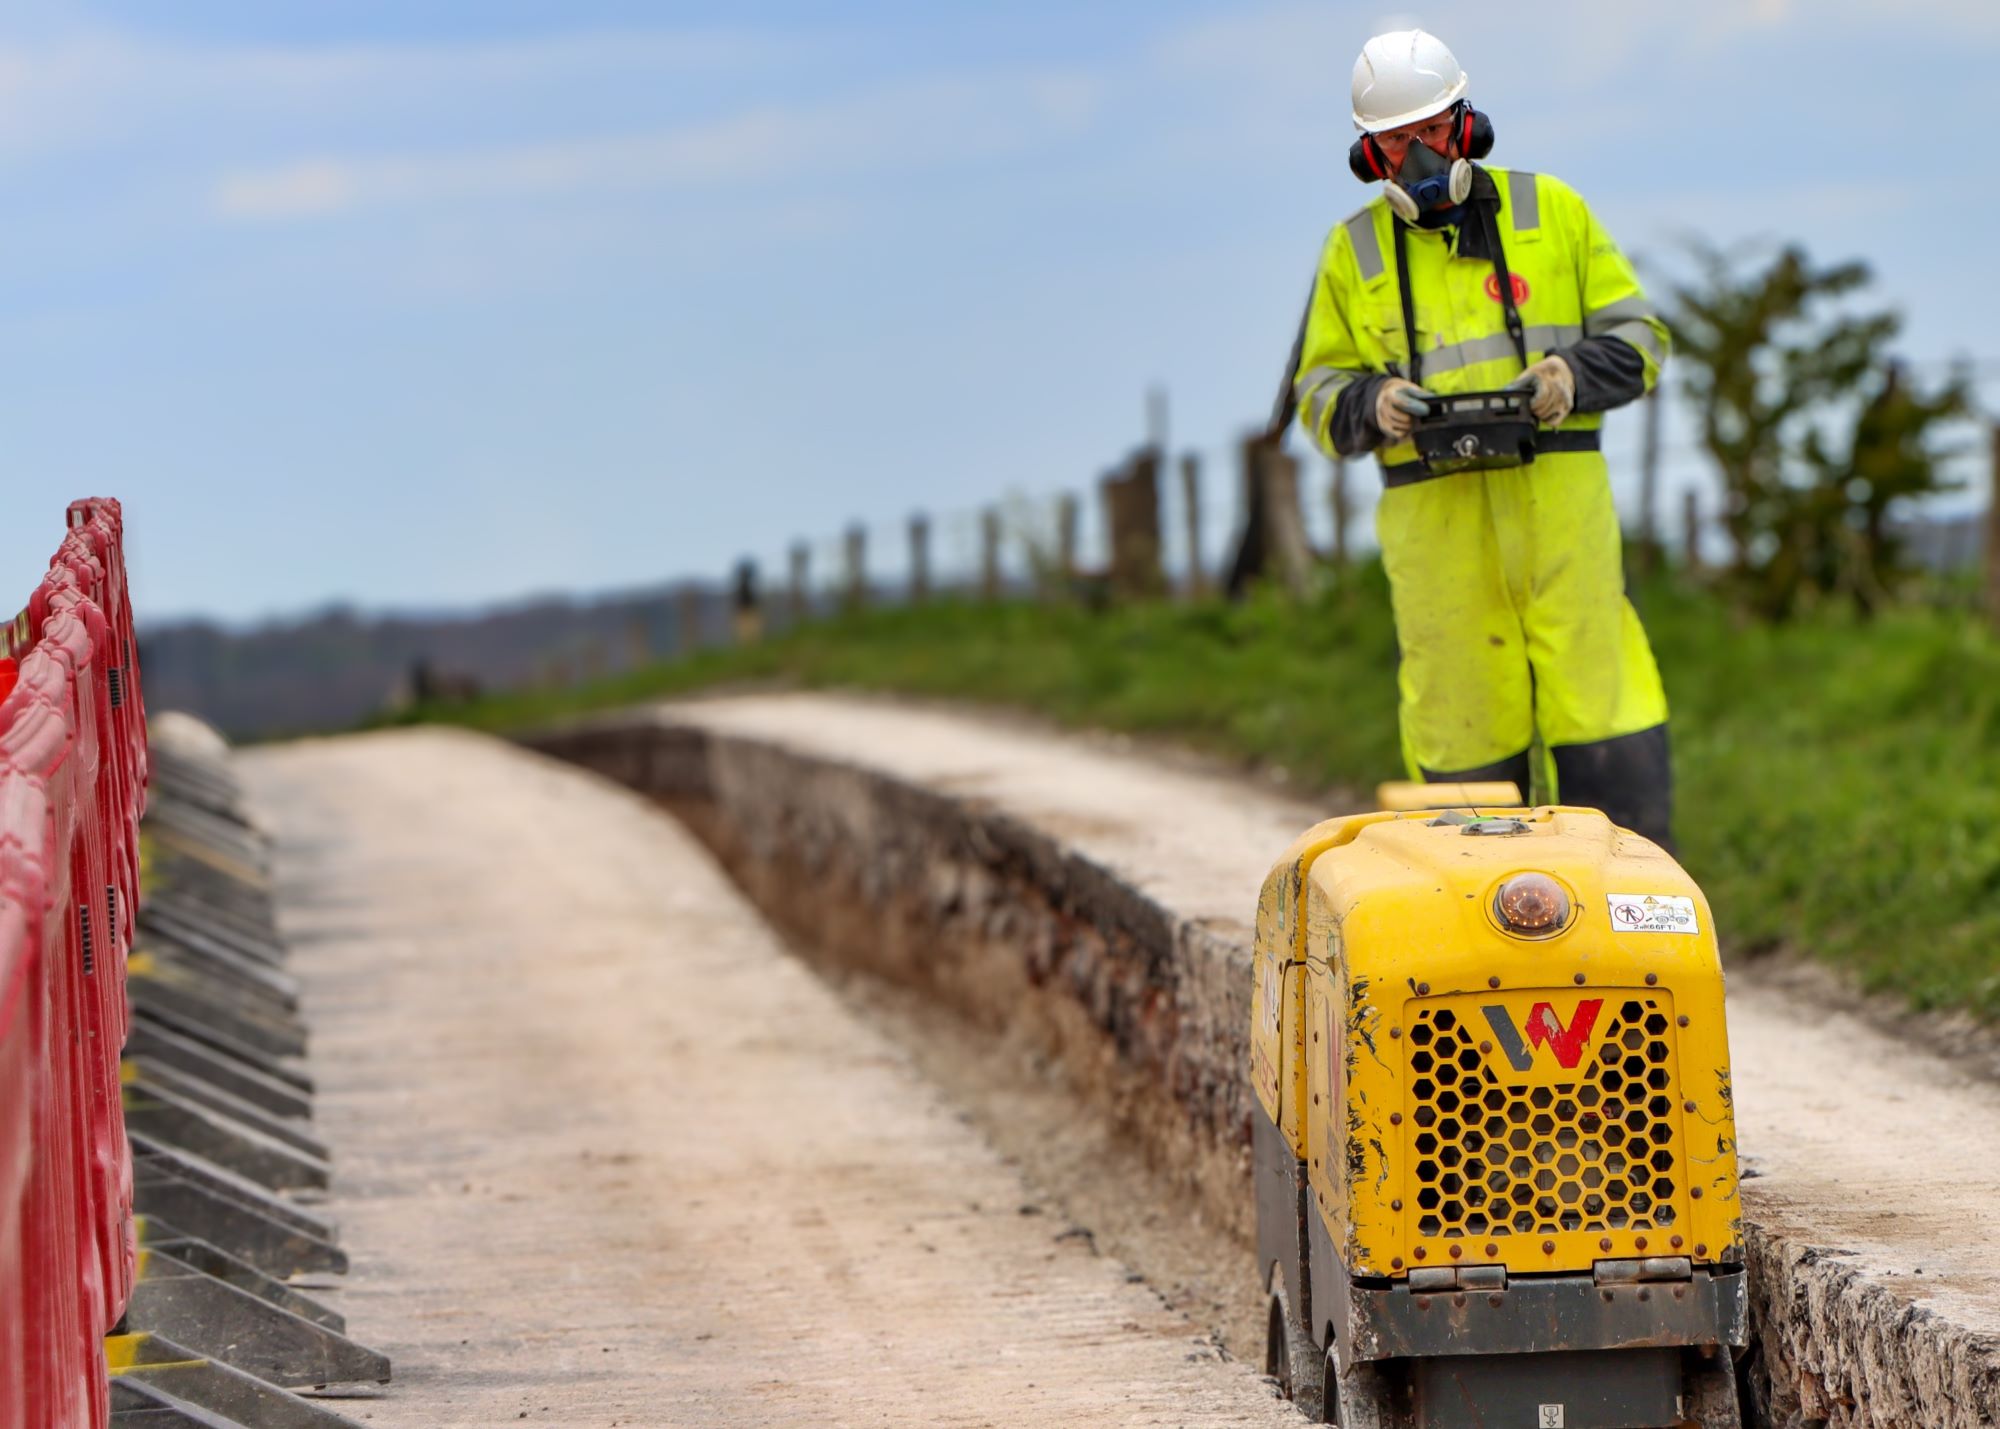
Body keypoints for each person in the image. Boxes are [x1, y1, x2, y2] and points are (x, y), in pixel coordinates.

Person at [1285, 28, 1676, 846]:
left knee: (1614, 776)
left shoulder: (1553, 212)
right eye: (1396, 140)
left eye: (1431, 131)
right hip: (1443, 569)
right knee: (1467, 825)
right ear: (1370, 154)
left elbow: (1643, 339)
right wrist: (1373, 402)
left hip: (1565, 546)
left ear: (1465, 126)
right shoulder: (1351, 252)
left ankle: (1632, 958)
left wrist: (1569, 378)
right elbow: (1315, 396)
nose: (1419, 155)